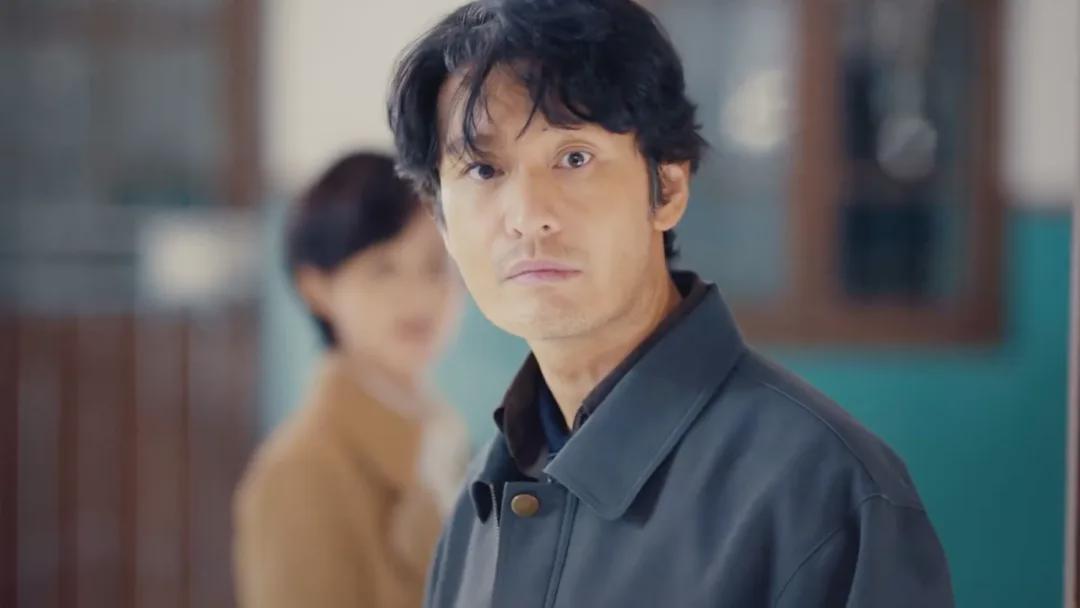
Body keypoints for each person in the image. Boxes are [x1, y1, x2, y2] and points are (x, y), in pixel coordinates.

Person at [386, 1, 954, 606]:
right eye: (482, 170)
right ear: (440, 219)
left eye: (574, 158)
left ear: (668, 187)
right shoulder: (479, 504)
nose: (528, 217)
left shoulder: (825, 496)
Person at [233, 151, 469, 608]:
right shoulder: (300, 474)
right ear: (317, 287)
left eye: (435, 265)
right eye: (383, 268)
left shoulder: (447, 440)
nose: (417, 295)